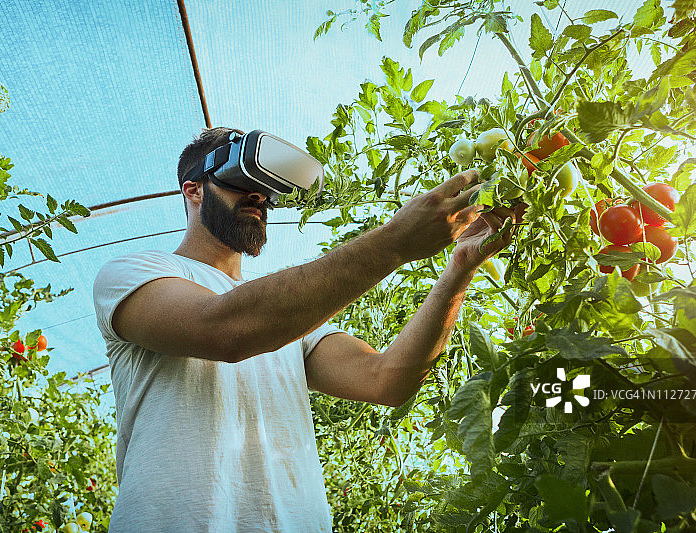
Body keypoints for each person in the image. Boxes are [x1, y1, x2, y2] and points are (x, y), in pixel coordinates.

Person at [93, 127, 519, 532]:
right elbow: (223, 328)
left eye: (268, 189)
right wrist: (395, 242)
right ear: (194, 190)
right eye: (241, 182)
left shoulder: (290, 322)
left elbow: (386, 379)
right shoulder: (134, 273)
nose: (259, 197)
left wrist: (461, 264)